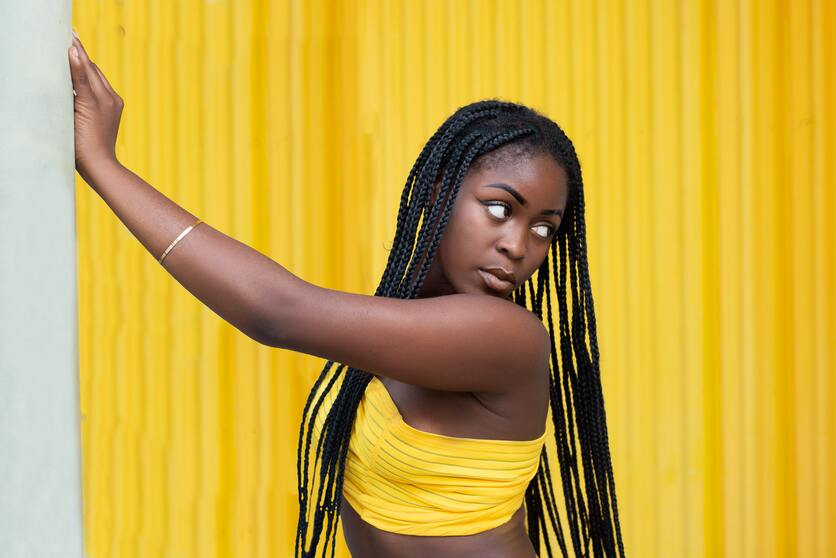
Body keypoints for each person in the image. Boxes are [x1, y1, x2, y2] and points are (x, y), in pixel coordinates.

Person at [69, 31, 625, 558]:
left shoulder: (506, 338)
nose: (517, 245)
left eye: (543, 228)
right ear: (441, 190)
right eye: (500, 208)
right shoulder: (404, 319)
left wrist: (103, 166)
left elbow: (279, 313)